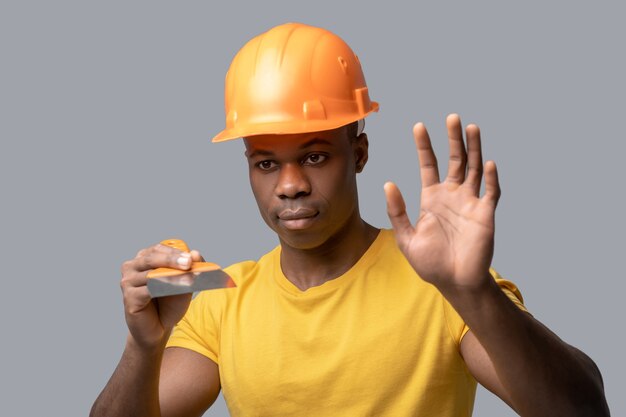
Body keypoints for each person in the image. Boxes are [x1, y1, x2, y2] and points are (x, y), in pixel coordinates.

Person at [91, 23, 609, 417]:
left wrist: (473, 292)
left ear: (358, 153)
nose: (289, 184)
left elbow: (582, 410)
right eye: (266, 163)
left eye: (315, 156)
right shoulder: (222, 302)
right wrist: (144, 345)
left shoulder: (443, 284)